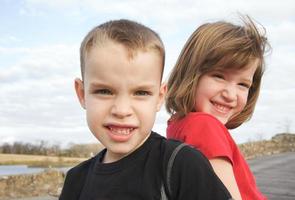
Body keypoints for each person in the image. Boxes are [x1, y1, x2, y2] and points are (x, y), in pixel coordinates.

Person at [59, 19, 232, 200]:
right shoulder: (76, 181)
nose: (122, 110)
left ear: (159, 97)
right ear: (82, 93)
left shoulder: (180, 164)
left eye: (141, 93)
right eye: (104, 91)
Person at [166, 15, 270, 200]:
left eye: (243, 85)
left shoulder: (177, 124)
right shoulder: (205, 125)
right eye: (219, 76)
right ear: (191, 74)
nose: (230, 94)